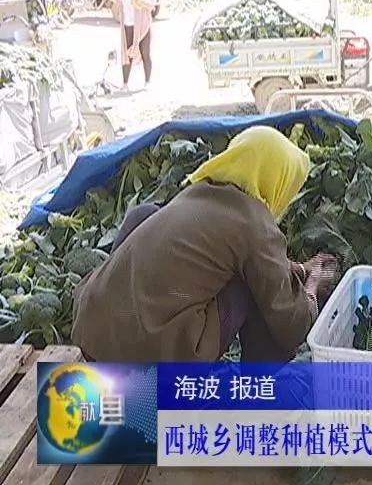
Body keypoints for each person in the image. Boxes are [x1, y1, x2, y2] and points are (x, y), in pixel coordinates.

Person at [71, 126, 338, 363]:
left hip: (91, 336)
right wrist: (313, 284)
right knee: (253, 286)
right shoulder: (254, 223)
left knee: (144, 214)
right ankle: (257, 396)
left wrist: (299, 270)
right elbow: (291, 324)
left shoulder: (193, 194)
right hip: (152, 362)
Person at [109, 0, 155, 93]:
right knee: (126, 54)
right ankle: (125, 84)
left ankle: (147, 81)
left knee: (145, 52)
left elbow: (151, 4)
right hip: (128, 24)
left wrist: (139, 0)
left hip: (142, 24)